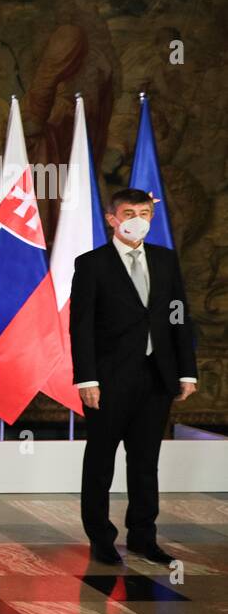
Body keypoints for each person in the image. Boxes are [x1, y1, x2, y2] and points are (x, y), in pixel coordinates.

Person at [70, 187, 198, 565]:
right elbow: (81, 326)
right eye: (129, 212)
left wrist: (186, 370)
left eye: (145, 212)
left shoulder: (165, 259)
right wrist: (86, 379)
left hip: (156, 377)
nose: (138, 219)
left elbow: (178, 314)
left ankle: (143, 535)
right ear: (112, 218)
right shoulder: (92, 264)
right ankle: (101, 538)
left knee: (145, 461)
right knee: (101, 459)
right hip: (108, 380)